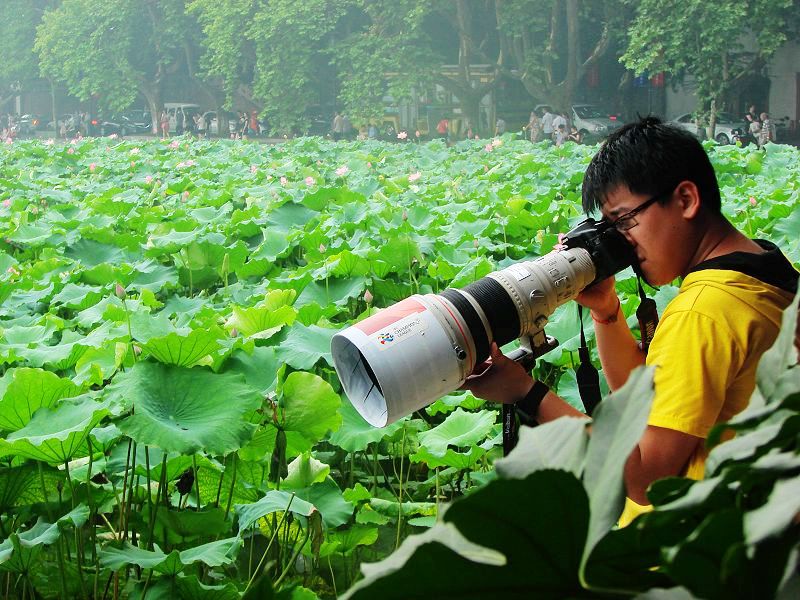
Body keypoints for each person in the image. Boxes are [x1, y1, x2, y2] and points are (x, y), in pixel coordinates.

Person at [462, 117, 798, 527]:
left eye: (624, 221)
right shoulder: (764, 265)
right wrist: (607, 311)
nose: (621, 240)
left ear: (686, 199)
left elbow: (644, 477)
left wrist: (525, 393)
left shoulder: (703, 312)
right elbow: (649, 408)